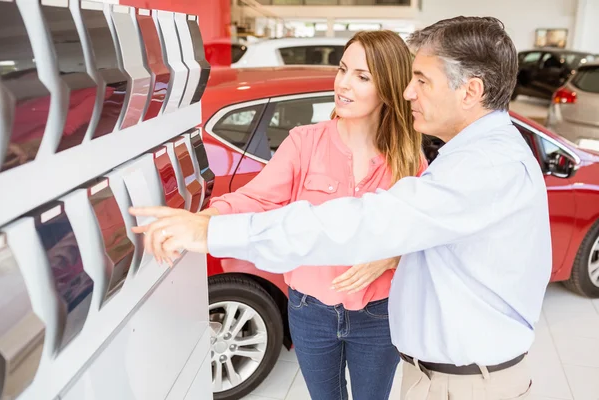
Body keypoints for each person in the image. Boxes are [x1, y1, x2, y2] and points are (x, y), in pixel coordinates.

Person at [131, 16, 552, 400]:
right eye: (343, 70)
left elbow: (371, 225)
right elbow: (266, 200)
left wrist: (211, 234)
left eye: (421, 80)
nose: (409, 91)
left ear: (471, 91)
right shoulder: (313, 141)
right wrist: (209, 219)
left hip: (440, 363)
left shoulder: (473, 166)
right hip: (332, 318)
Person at [135, 30, 426, 400]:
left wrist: (390, 259)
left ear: (387, 88)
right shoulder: (304, 142)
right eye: (342, 70)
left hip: (378, 314)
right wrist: (204, 221)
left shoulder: (408, 159)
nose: (344, 84)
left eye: (362, 76)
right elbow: (254, 199)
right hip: (310, 310)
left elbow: (425, 236)